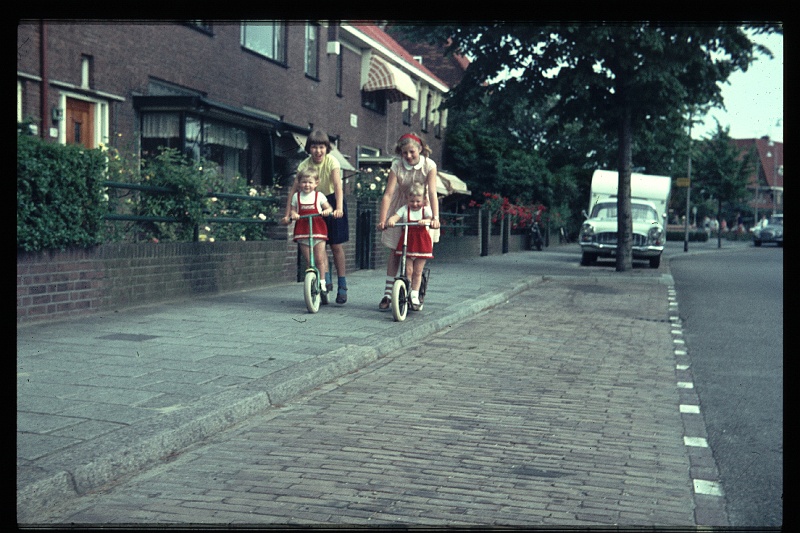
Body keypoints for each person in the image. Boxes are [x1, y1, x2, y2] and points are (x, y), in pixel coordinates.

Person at [376, 132, 441, 310]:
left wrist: (435, 217)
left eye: (412, 152)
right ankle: (388, 294)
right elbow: (388, 194)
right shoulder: (397, 165)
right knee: (395, 250)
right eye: (405, 153)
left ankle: (415, 291)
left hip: (422, 206)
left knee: (419, 252)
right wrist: (383, 220)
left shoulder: (429, 165)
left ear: (420, 149)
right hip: (402, 206)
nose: (409, 156)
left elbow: (433, 193)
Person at [285, 130, 350, 304]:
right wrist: (287, 214)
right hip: (311, 201)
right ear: (309, 149)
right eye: (314, 147)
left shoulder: (332, 161)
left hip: (331, 201)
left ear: (327, 148)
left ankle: (342, 283)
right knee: (319, 244)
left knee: (335, 245)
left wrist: (338, 208)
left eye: (321, 147)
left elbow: (338, 185)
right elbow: (294, 190)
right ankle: (325, 278)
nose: (318, 151)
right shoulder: (304, 165)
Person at [282, 168, 333, 301]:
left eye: (310, 182)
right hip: (303, 231)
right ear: (299, 183)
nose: (307, 185)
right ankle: (311, 281)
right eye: (304, 182)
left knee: (319, 258)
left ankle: (322, 281)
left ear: (316, 183)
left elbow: (328, 207)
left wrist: (326, 211)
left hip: (318, 230)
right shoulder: (296, 197)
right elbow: (293, 210)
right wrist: (293, 214)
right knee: (309, 260)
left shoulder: (319, 196)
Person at [386, 183, 434, 311]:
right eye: (412, 201)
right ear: (407, 199)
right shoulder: (404, 209)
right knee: (408, 270)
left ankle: (414, 294)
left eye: (418, 201)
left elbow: (431, 218)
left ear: (423, 200)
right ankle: (405, 289)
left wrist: (427, 221)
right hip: (407, 241)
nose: (415, 204)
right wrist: (392, 220)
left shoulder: (425, 210)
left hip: (421, 242)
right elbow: (396, 216)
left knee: (417, 271)